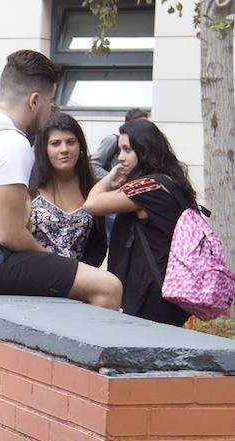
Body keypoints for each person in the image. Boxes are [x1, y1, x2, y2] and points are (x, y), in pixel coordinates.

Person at [0, 50, 121, 309]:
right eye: (50, 102)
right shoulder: (11, 141)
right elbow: (10, 234)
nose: (49, 111)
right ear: (34, 101)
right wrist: (53, 261)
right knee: (108, 287)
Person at [84, 119, 196, 326]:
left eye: (127, 150)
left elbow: (92, 204)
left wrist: (109, 177)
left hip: (149, 291)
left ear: (144, 150)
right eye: (120, 150)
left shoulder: (147, 187)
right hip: (169, 288)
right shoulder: (172, 182)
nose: (121, 158)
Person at [28, 112, 107, 267]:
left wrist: (81, 275)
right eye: (55, 143)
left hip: (78, 281)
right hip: (33, 278)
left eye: (70, 142)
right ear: (44, 149)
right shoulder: (27, 187)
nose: (64, 149)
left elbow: (99, 245)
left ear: (80, 146)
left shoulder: (92, 190)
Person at [90, 108, 149, 241]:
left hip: (131, 197)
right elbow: (93, 165)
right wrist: (112, 177)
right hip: (115, 198)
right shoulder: (113, 140)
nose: (122, 157)